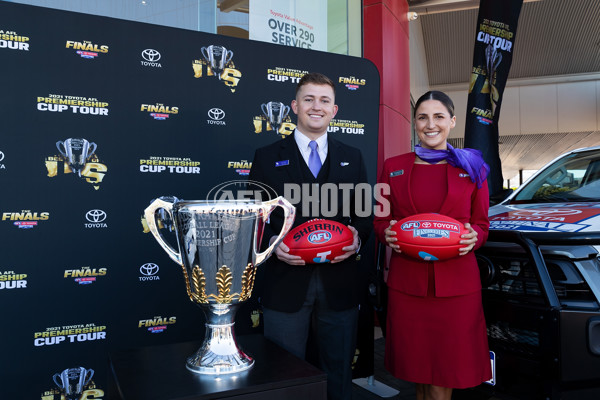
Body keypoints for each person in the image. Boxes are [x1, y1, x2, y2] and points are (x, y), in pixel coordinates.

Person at [249, 72, 372, 400]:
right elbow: (254, 218)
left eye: (324, 101)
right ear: (294, 106)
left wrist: (356, 240)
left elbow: (364, 215)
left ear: (334, 110)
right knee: (285, 375)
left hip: (340, 284)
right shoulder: (266, 156)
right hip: (285, 282)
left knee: (338, 372)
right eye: (309, 99)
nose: (316, 106)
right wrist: (274, 248)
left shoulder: (353, 156)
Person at [373, 90, 492, 400]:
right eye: (423, 117)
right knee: (418, 371)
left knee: (443, 371)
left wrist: (473, 238)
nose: (430, 124)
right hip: (408, 285)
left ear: (452, 122)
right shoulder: (392, 166)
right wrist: (387, 233)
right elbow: (379, 219)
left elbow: (482, 224)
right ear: (415, 123)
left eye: (438, 117)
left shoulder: (473, 167)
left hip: (456, 288)